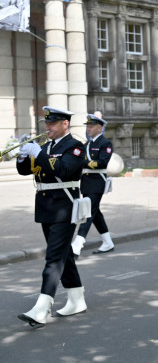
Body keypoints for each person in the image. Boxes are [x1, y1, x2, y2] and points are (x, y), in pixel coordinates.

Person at [15, 107, 87, 327]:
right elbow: (26, 171)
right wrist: (22, 155)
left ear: (65, 124)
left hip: (65, 207)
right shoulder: (47, 146)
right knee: (64, 255)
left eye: (52, 124)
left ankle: (42, 306)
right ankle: (76, 299)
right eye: (46, 124)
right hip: (47, 206)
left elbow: (64, 170)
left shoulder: (75, 146)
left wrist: (39, 154)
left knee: (53, 258)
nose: (47, 128)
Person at [71, 114, 114, 257]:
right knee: (95, 213)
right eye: (87, 126)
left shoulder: (105, 143)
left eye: (91, 126)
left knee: (87, 212)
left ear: (100, 128)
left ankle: (77, 244)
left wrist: (83, 163)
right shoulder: (86, 145)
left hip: (97, 182)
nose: (88, 129)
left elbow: (102, 162)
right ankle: (107, 242)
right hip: (86, 182)